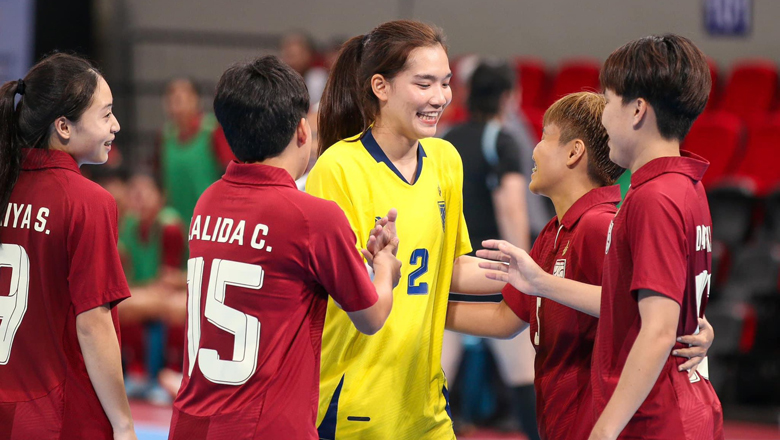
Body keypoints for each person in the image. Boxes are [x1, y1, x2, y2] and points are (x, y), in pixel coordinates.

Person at [478, 35, 724, 440]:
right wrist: (540, 282)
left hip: (655, 420)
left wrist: (605, 428)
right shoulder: (686, 185)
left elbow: (659, 329)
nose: (603, 117)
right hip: (681, 408)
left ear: (638, 110)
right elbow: (655, 303)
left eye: (608, 102)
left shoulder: (652, 198)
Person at [168, 55, 401, 440]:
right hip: (264, 428)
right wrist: (384, 268)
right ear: (302, 129)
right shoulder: (312, 216)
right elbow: (371, 316)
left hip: (190, 423)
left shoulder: (207, 202)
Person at [307, 20, 507, 440]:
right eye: (424, 84)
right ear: (380, 86)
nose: (440, 98)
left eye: (446, 83)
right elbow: (345, 291)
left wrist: (524, 277)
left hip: (426, 405)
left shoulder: (445, 158)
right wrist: (379, 267)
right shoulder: (338, 168)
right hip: (356, 406)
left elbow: (445, 268)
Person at [0, 53, 136, 439]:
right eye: (106, 114)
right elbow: (93, 325)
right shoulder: (87, 202)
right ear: (63, 126)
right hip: (58, 417)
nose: (117, 125)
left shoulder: (5, 187)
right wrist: (124, 424)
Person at [442, 60, 537, 439]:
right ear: (508, 96)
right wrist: (527, 273)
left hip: (452, 272)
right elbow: (512, 208)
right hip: (494, 275)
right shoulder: (502, 139)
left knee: (437, 377)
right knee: (524, 376)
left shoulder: (445, 139)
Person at [156, 78, 235, 223]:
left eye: (180, 99)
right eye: (170, 99)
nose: (175, 104)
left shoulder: (212, 131)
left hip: (210, 217)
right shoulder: (165, 136)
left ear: (196, 100)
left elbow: (232, 170)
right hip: (178, 220)